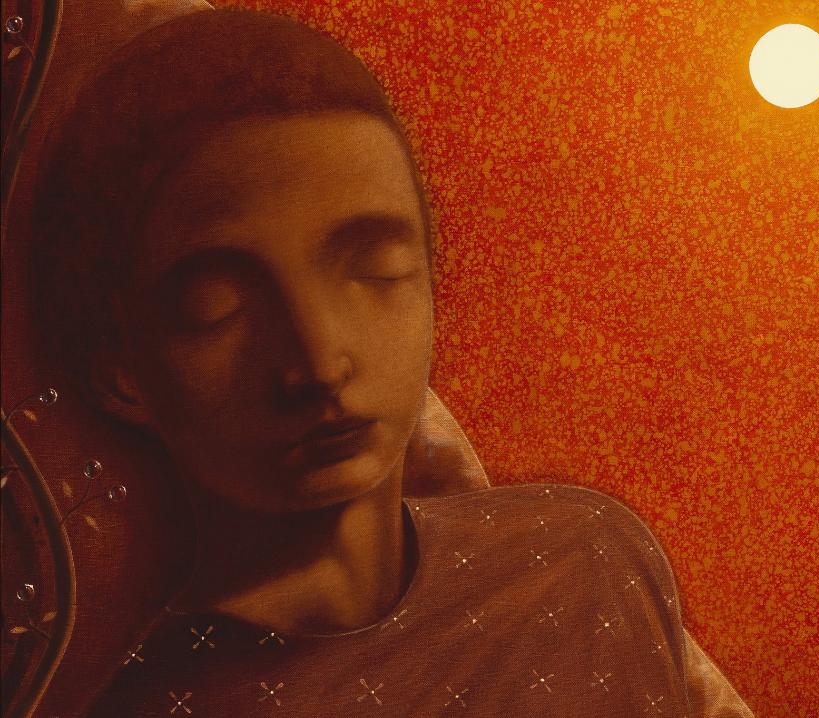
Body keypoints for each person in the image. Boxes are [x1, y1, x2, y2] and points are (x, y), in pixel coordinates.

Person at [30, 9, 753, 717]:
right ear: (117, 367)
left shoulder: (580, 560)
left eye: (376, 269)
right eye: (217, 307)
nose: (319, 362)